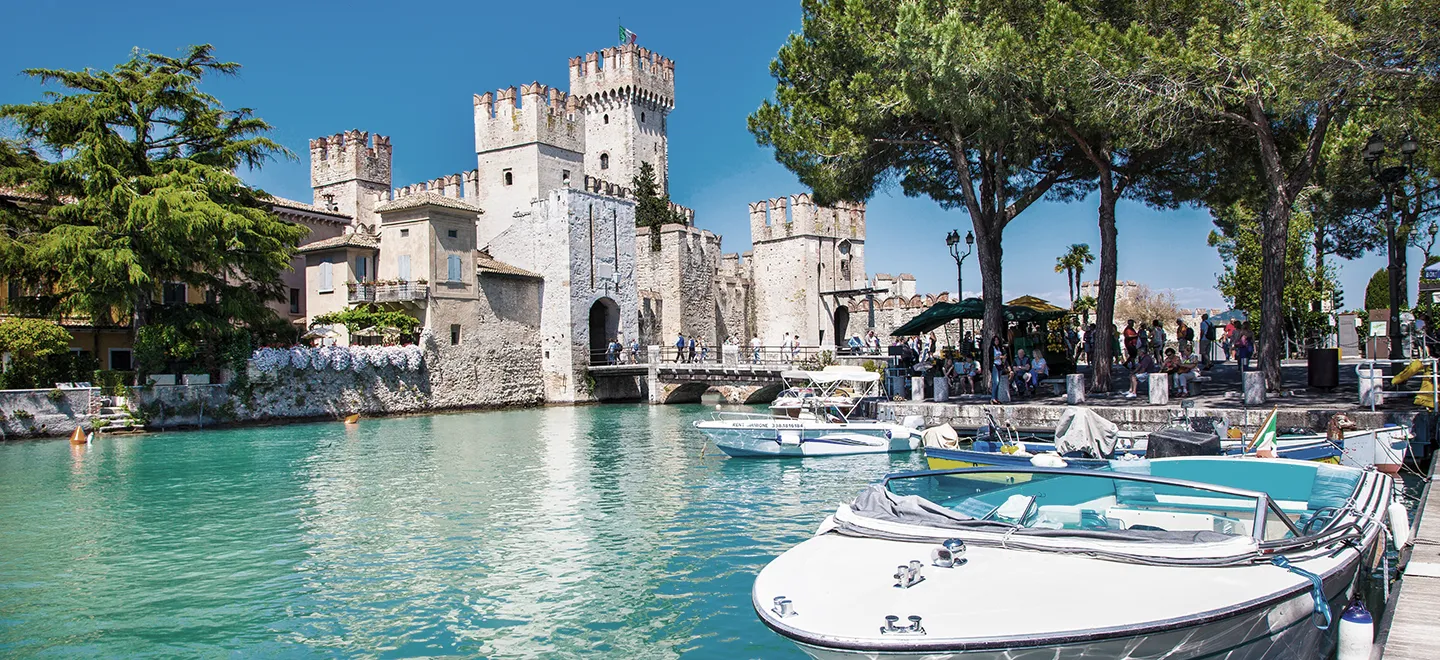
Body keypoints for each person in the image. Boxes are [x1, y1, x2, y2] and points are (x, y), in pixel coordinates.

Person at [989, 336, 1008, 404]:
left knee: (998, 382)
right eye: (995, 340)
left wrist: (1003, 359)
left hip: (1000, 365)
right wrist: (999, 357)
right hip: (994, 365)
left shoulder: (1000, 348)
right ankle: (993, 398)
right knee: (995, 382)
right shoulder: (992, 348)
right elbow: (991, 358)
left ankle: (996, 398)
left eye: (997, 340)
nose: (997, 341)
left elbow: (1003, 356)